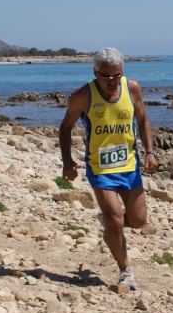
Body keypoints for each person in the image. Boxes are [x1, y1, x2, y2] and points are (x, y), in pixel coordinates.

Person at [59, 47, 158, 290]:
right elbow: (65, 127)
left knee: (138, 221)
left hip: (129, 166)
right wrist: (68, 162)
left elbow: (143, 119)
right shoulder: (83, 95)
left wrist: (150, 151)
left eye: (117, 76)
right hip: (100, 168)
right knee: (115, 223)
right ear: (95, 72)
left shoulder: (131, 87)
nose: (112, 81)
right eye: (106, 77)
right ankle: (125, 271)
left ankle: (109, 224)